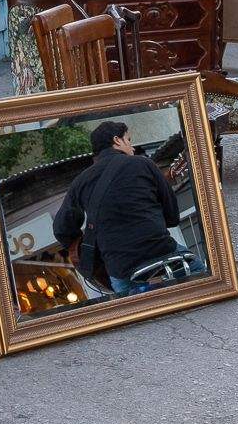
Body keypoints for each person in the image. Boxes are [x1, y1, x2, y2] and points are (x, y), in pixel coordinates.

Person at [51, 121, 183, 295]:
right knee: (203, 275)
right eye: (129, 140)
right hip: (163, 251)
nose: (133, 148)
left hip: (121, 269)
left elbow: (61, 229)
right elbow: (173, 218)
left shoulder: (80, 183)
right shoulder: (144, 164)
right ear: (117, 140)